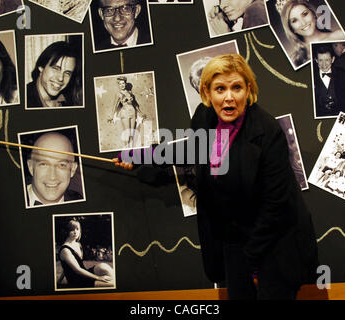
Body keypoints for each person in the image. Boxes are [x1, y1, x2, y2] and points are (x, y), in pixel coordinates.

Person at [114, 54, 318, 300]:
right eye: (220, 89)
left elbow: (277, 206)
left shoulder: (267, 131)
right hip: (235, 239)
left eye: (237, 87)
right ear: (207, 92)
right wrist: (139, 156)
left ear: (249, 90)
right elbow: (191, 149)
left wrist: (250, 259)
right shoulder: (205, 117)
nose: (229, 97)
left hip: (274, 242)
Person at [277, 0, 345, 68]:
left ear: (313, 14)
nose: (303, 23)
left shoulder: (341, 36)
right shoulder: (295, 60)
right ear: (291, 28)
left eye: (305, 14)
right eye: (294, 21)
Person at [25, 131, 83, 207]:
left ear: (72, 169)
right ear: (30, 167)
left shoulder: (80, 202)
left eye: (62, 165)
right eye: (44, 164)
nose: (52, 177)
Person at [58, 219, 114, 288]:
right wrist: (98, 278)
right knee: (112, 284)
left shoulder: (78, 244)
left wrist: (59, 281)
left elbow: (67, 266)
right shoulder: (65, 250)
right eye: (72, 229)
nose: (75, 232)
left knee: (105, 267)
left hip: (84, 273)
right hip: (78, 281)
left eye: (77, 229)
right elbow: (77, 270)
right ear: (67, 231)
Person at [26, 41, 82, 108]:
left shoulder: (72, 100)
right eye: (56, 68)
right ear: (41, 67)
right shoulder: (24, 100)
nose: (61, 78)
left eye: (67, 73)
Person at [108, 76, 146, 148]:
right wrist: (111, 116)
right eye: (120, 84)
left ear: (125, 84)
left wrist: (141, 113)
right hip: (124, 114)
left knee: (132, 134)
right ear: (118, 85)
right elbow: (114, 106)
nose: (122, 85)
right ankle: (127, 152)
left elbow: (135, 104)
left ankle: (132, 151)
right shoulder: (118, 94)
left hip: (133, 113)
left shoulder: (130, 93)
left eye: (123, 83)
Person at [312, 45, 345, 117]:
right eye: (320, 60)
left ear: (332, 59)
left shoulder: (341, 73)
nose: (324, 64)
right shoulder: (312, 75)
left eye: (327, 60)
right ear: (316, 60)